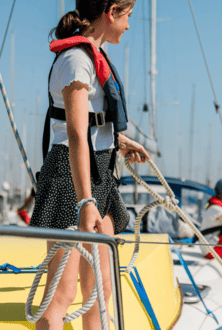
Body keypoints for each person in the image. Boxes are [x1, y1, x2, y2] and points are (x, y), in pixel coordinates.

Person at [30, 1, 149, 329]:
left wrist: (122, 142)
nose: (128, 26)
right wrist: (85, 202)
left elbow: (90, 124)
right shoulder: (75, 61)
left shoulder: (91, 56)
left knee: (100, 289)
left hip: (98, 174)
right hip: (71, 180)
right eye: (128, 17)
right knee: (61, 296)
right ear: (111, 12)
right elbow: (75, 133)